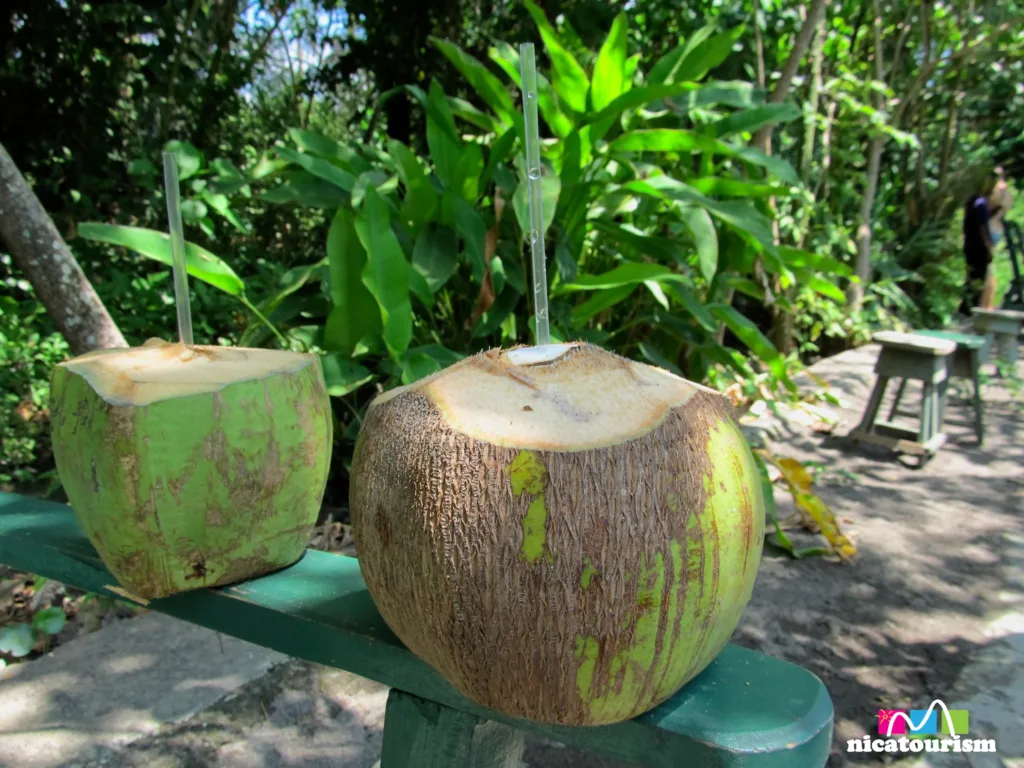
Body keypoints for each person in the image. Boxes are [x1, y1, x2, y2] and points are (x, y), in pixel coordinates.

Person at [961, 173, 996, 314]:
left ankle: (965, 307)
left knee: (971, 276)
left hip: (969, 245)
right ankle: (970, 309)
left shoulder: (972, 201)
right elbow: (983, 228)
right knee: (978, 278)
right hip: (979, 248)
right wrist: (989, 246)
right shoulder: (981, 203)